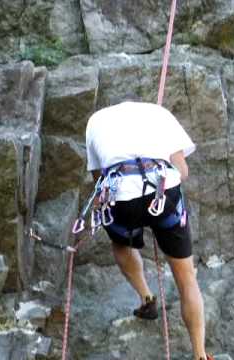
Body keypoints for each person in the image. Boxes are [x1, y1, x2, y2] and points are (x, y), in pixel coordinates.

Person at [85, 99, 213, 360]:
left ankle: (146, 297)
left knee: (121, 243)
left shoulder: (96, 121)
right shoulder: (160, 114)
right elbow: (182, 170)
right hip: (163, 195)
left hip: (122, 199)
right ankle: (200, 354)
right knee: (186, 277)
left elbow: (98, 180)